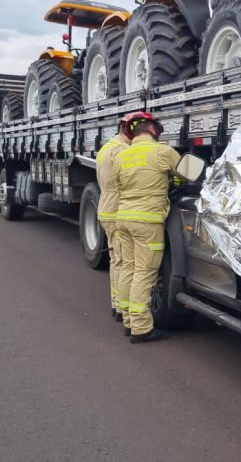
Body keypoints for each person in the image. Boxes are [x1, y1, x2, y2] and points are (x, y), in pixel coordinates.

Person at [113, 113, 182, 343]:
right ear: (152, 129)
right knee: (144, 272)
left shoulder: (122, 156)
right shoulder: (162, 152)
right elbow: (185, 174)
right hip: (147, 221)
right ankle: (141, 329)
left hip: (123, 218)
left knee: (128, 269)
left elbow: (117, 184)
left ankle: (128, 321)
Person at [96, 115, 133, 332]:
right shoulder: (123, 152)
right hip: (118, 209)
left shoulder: (106, 148)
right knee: (124, 261)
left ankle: (116, 303)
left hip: (106, 207)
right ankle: (123, 309)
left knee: (115, 259)